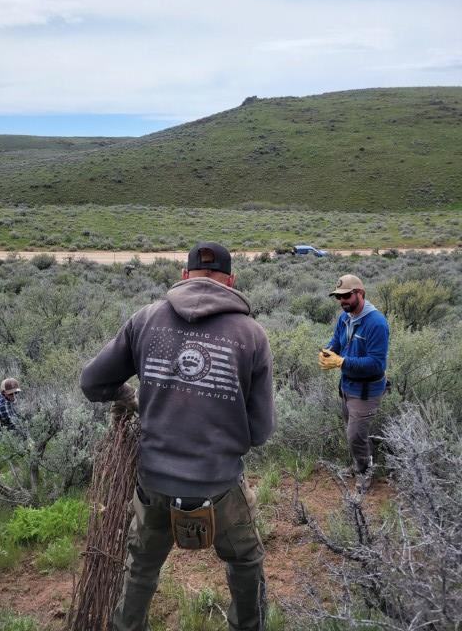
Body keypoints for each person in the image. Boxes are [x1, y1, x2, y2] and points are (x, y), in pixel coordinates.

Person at [80, 241, 275, 631]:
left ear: (184, 276)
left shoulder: (146, 320)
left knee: (140, 567)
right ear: (231, 280)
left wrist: (128, 396)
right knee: (246, 561)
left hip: (155, 482)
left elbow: (92, 382)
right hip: (220, 484)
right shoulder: (251, 335)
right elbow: (261, 431)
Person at [318, 274, 389, 493]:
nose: (342, 301)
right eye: (338, 297)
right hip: (347, 386)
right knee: (355, 432)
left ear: (360, 293)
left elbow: (377, 364)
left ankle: (364, 472)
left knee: (355, 435)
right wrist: (328, 351)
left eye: (347, 296)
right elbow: (337, 341)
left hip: (366, 391)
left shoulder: (376, 323)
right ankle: (361, 462)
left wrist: (342, 362)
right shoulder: (344, 318)